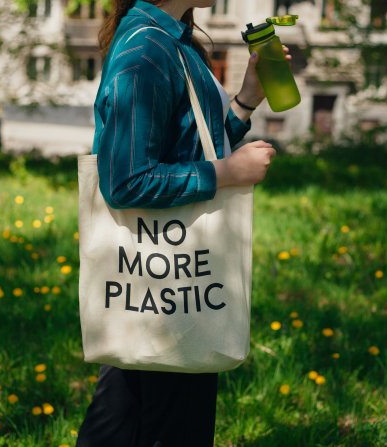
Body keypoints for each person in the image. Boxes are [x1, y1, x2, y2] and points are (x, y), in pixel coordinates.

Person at [76, 1, 290, 445]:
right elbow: (127, 180)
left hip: (161, 278)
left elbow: (192, 145)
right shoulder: (147, 51)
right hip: (170, 283)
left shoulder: (173, 39)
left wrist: (246, 100)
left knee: (121, 417)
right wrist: (228, 174)